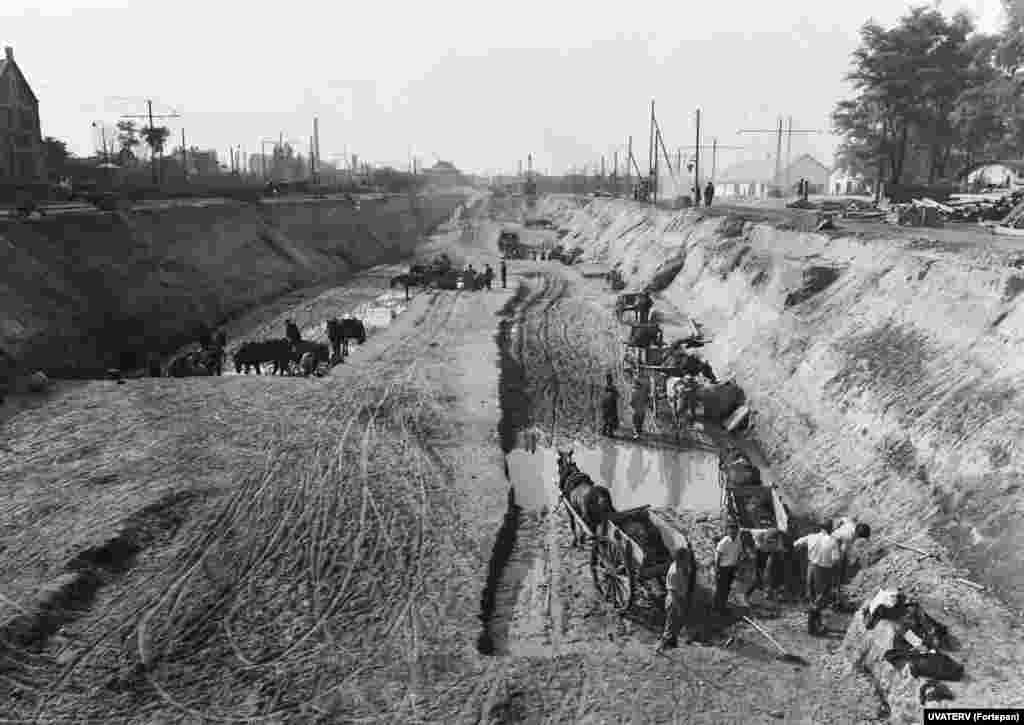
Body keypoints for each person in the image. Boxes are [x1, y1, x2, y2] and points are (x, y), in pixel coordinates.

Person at [793, 522, 840, 634]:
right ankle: (813, 627)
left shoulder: (811, 537)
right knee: (821, 598)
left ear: (820, 528)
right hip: (824, 571)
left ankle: (816, 624)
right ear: (830, 528)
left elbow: (796, 544)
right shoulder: (832, 541)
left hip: (811, 568)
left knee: (812, 596)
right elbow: (835, 559)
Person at [657, 547, 695, 651]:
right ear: (680, 559)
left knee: (678, 623)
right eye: (686, 558)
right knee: (670, 625)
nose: (688, 560)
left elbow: (688, 576)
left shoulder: (684, 566)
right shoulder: (673, 572)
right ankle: (660, 647)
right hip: (673, 602)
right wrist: (679, 608)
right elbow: (673, 593)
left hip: (681, 597)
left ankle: (672, 643)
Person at [831, 517, 871, 593]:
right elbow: (842, 552)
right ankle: (836, 584)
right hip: (832, 544)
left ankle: (839, 581)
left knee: (844, 560)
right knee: (838, 563)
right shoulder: (849, 537)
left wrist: (835, 528)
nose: (862, 541)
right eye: (862, 539)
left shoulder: (852, 525)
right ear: (858, 536)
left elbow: (843, 519)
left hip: (835, 538)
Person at [714, 521, 742, 613]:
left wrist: (737, 565)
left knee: (727, 588)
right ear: (728, 531)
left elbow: (738, 554)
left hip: (732, 568)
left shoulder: (738, 541)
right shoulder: (724, 542)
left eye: (735, 530)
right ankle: (717, 607)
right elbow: (718, 556)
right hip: (723, 568)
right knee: (721, 589)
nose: (734, 532)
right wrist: (717, 570)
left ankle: (723, 606)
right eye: (732, 530)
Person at [630, 376, 651, 440]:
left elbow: (632, 401)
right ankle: (637, 433)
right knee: (639, 422)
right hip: (640, 410)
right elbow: (647, 400)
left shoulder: (634, 392)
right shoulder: (640, 393)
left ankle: (636, 433)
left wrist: (632, 405)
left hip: (638, 410)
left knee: (636, 422)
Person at [600, 372, 620, 437]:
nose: (609, 380)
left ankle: (605, 432)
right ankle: (609, 433)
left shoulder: (605, 388)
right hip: (610, 405)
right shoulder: (613, 388)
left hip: (607, 404)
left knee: (606, 419)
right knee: (609, 419)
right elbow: (618, 395)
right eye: (609, 379)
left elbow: (617, 395)